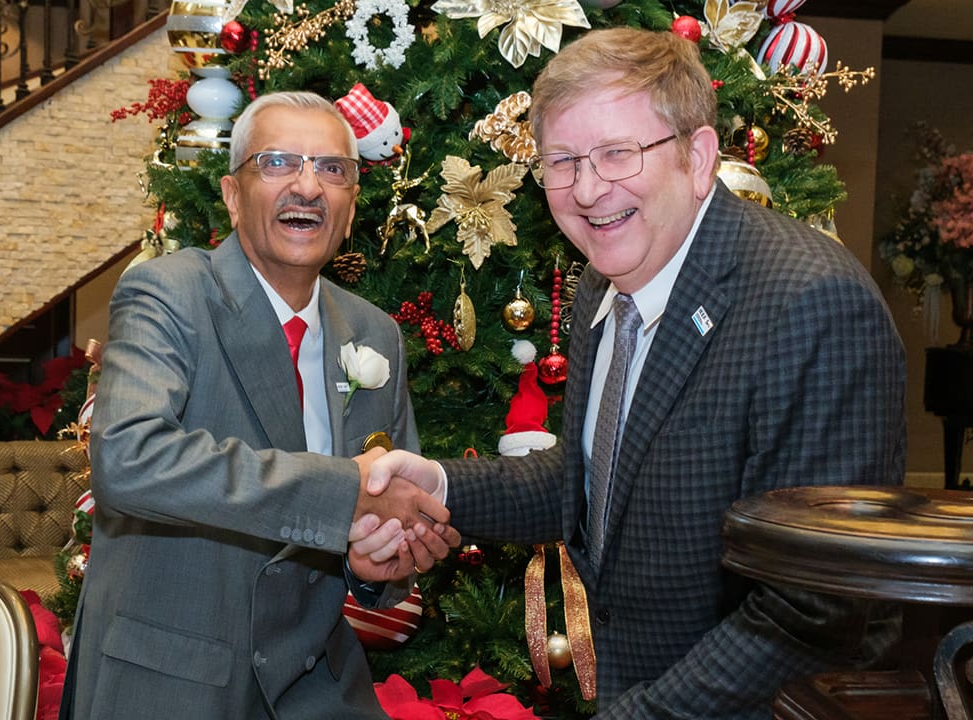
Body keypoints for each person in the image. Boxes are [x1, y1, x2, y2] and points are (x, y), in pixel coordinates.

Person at [363, 27, 907, 719]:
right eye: (561, 161)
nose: (587, 190)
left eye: (618, 154)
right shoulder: (605, 281)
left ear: (699, 156)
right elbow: (592, 481)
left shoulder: (811, 303)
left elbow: (813, 606)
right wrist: (435, 484)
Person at [60, 91, 458, 720]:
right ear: (231, 194)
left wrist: (376, 560)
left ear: (352, 207)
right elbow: (129, 461)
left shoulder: (375, 334)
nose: (308, 186)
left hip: (320, 686)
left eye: (333, 170)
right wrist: (342, 494)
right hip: (174, 682)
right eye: (277, 163)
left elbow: (384, 519)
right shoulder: (170, 292)